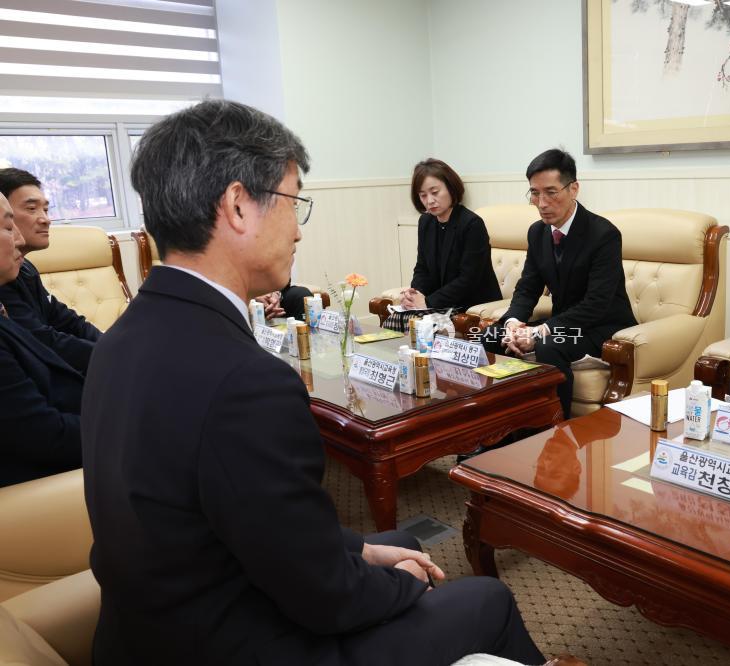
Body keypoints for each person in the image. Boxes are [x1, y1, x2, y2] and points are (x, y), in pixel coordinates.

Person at [80, 99, 544, 666]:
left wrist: (364, 551)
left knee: (393, 544)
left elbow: (253, 522)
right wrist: (405, 587)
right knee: (487, 600)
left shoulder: (120, 339)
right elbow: (326, 597)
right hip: (241, 641)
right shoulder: (246, 382)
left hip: (150, 626)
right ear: (238, 205)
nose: (299, 230)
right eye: (294, 200)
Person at [482, 149, 637, 419]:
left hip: (601, 327)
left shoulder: (603, 234)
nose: (541, 202)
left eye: (551, 192)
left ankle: (556, 429)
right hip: (562, 323)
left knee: (548, 345)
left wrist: (540, 331)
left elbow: (596, 304)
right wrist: (514, 323)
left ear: (573, 188)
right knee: (491, 336)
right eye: (534, 193)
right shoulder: (537, 232)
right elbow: (527, 288)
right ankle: (499, 427)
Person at [0, 192, 84, 487]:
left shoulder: (21, 274)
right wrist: (129, 426)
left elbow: (67, 322)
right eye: (8, 228)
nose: (20, 240)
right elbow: (44, 436)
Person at [0, 168, 99, 373]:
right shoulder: (3, 280)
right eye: (31, 208)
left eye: (45, 209)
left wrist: (111, 346)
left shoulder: (26, 269)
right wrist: (113, 355)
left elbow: (67, 320)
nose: (45, 219)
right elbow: (43, 340)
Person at [384, 159, 502, 331]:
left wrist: (427, 302)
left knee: (418, 325)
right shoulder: (426, 222)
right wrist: (415, 293)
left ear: (450, 188)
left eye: (435, 192)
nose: (430, 201)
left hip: (470, 303)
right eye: (423, 195)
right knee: (396, 320)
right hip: (440, 302)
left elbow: (468, 279)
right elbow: (422, 267)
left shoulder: (471, 224)